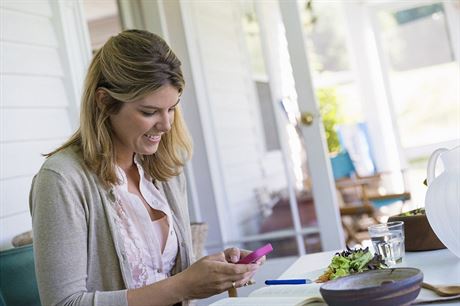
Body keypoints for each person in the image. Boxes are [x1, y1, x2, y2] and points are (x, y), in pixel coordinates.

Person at [29, 29, 263, 306]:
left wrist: (212, 273)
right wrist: (184, 285)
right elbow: (63, 303)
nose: (165, 125)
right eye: (149, 112)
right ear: (104, 102)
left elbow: (163, 277)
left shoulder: (165, 172)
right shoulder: (61, 180)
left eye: (172, 108)